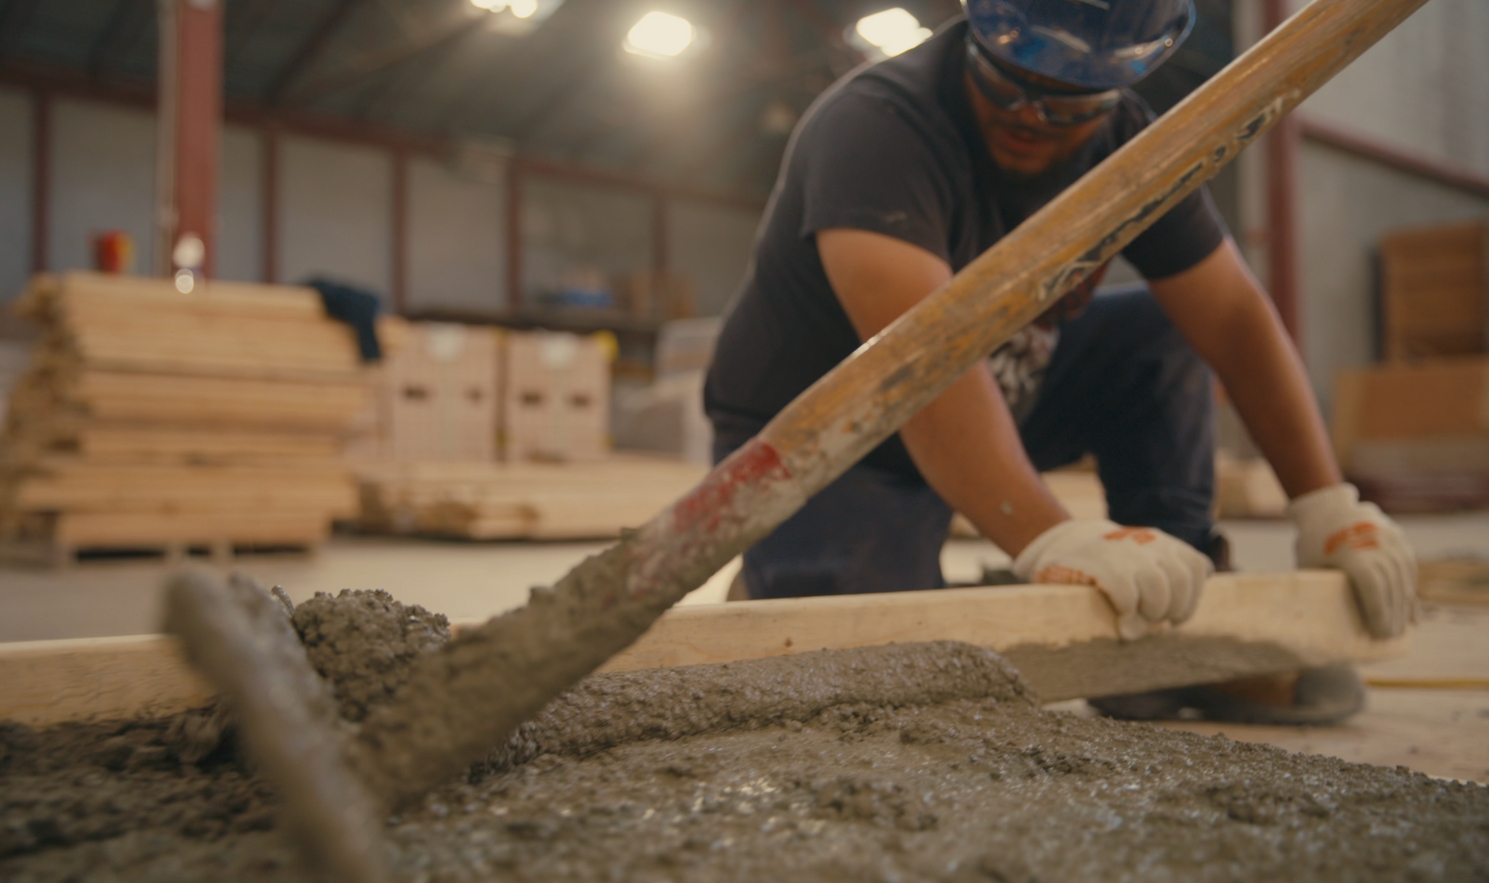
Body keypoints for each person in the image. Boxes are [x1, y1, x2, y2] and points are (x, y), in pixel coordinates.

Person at [703, 0, 1416, 724]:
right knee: (874, 680)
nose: (1029, 115)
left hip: (998, 390)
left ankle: (1168, 598)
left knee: (1154, 332)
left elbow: (1233, 317)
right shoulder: (875, 128)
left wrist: (1326, 505)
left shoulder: (1129, 141)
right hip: (822, 438)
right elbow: (912, 368)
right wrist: (1047, 534)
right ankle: (791, 572)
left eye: (1066, 100)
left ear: (1117, 87)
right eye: (1007, 83)